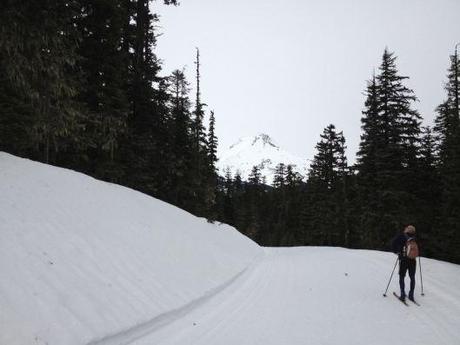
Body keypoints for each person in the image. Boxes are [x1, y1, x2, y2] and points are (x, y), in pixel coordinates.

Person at [391, 225, 417, 302]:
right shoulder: (415, 237)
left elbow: (393, 243)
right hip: (413, 260)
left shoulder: (401, 236)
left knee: (402, 276)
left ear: (407, 230)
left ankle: (402, 294)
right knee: (412, 277)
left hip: (403, 259)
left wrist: (397, 252)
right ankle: (411, 295)